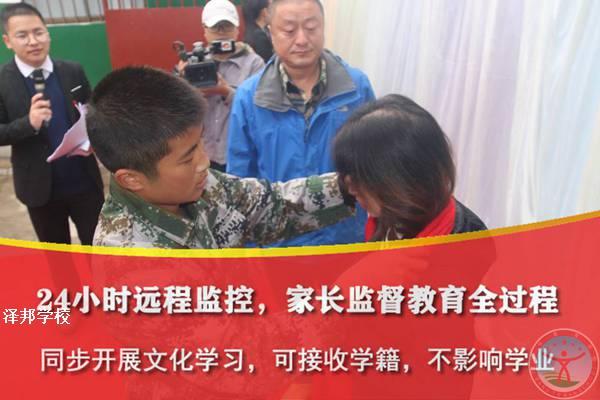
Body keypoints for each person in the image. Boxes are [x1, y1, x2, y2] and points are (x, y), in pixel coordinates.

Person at [87, 66, 355, 249]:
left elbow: (273, 205)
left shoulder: (203, 186)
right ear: (132, 179)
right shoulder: (130, 263)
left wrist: (349, 186)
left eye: (200, 143)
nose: (204, 162)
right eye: (187, 158)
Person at [227, 0, 375, 247]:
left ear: (323, 28)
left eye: (311, 27)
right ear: (270, 33)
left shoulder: (356, 88)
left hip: (344, 240)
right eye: (289, 30)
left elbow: (375, 164)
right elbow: (240, 183)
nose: (302, 39)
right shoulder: (249, 98)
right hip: (278, 245)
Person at [0, 3, 103, 245]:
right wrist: (28, 123)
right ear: (8, 41)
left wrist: (94, 137)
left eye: (38, 32)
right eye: (22, 35)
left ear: (48, 34)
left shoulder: (72, 70)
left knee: (99, 250)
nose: (33, 41)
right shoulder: (2, 81)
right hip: (39, 189)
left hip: (84, 181)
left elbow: (91, 110)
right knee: (58, 257)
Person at [333, 94, 487, 241]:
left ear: (404, 178)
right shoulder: (393, 214)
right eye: (348, 175)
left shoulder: (466, 246)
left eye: (360, 176)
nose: (350, 189)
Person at [178, 0, 264, 172]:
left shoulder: (254, 63)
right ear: (205, 30)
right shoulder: (193, 63)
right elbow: (178, 112)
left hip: (240, 154)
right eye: (216, 28)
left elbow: (260, 109)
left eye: (227, 27)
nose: (222, 33)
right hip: (203, 154)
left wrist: (226, 92)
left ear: (237, 29)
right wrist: (182, 83)